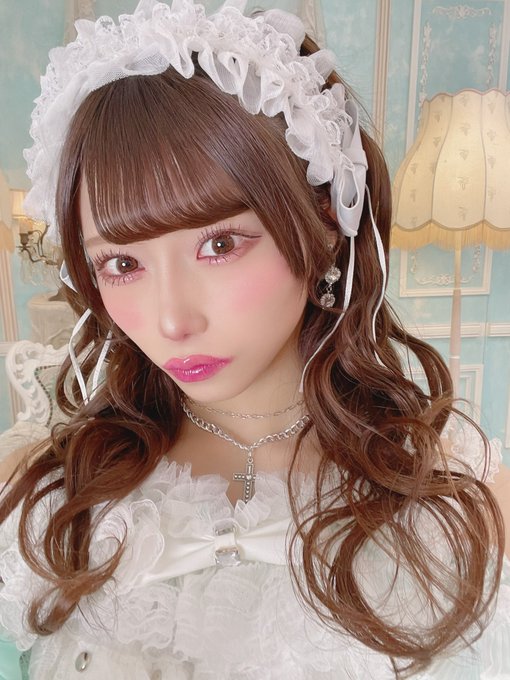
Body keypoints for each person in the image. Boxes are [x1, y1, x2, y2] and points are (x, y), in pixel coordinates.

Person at [0, 0, 509, 678]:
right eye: (121, 263)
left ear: (324, 224)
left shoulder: (456, 493)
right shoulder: (45, 502)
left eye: (219, 244)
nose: (172, 320)